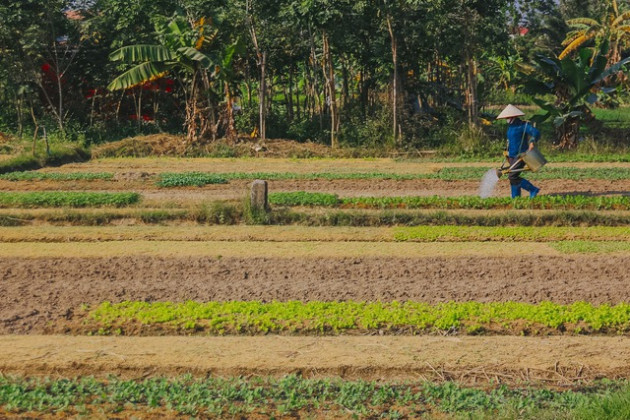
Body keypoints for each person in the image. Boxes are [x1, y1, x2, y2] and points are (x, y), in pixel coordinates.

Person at [496, 104, 541, 198]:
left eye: (508, 117)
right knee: (513, 177)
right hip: (512, 155)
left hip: (521, 155)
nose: (506, 119)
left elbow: (536, 132)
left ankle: (533, 189)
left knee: (513, 176)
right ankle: (515, 198)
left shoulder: (523, 126)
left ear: (513, 116)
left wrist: (532, 142)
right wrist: (507, 152)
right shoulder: (510, 127)